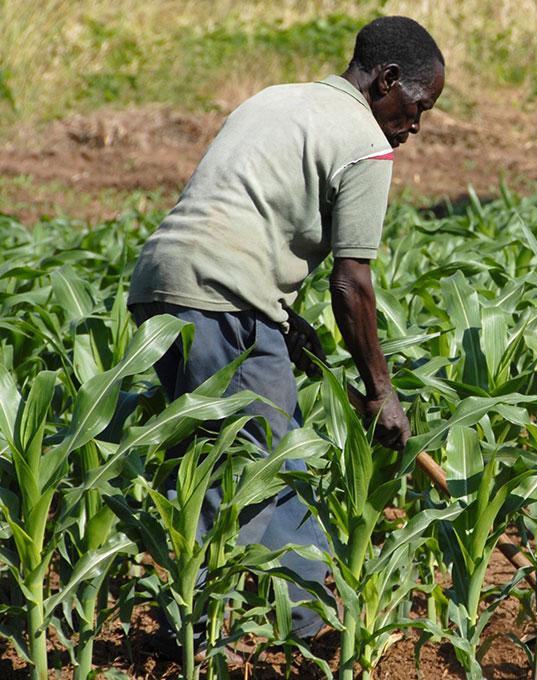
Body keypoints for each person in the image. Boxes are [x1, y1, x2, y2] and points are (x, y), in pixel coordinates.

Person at [126, 15, 444, 646]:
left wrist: (282, 320)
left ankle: (309, 625)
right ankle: (191, 638)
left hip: (161, 285)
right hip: (224, 301)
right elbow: (352, 281)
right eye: (418, 106)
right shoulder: (365, 141)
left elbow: (243, 208)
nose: (415, 126)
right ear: (387, 80)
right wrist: (380, 390)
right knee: (248, 476)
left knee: (267, 456)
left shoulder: (273, 100)